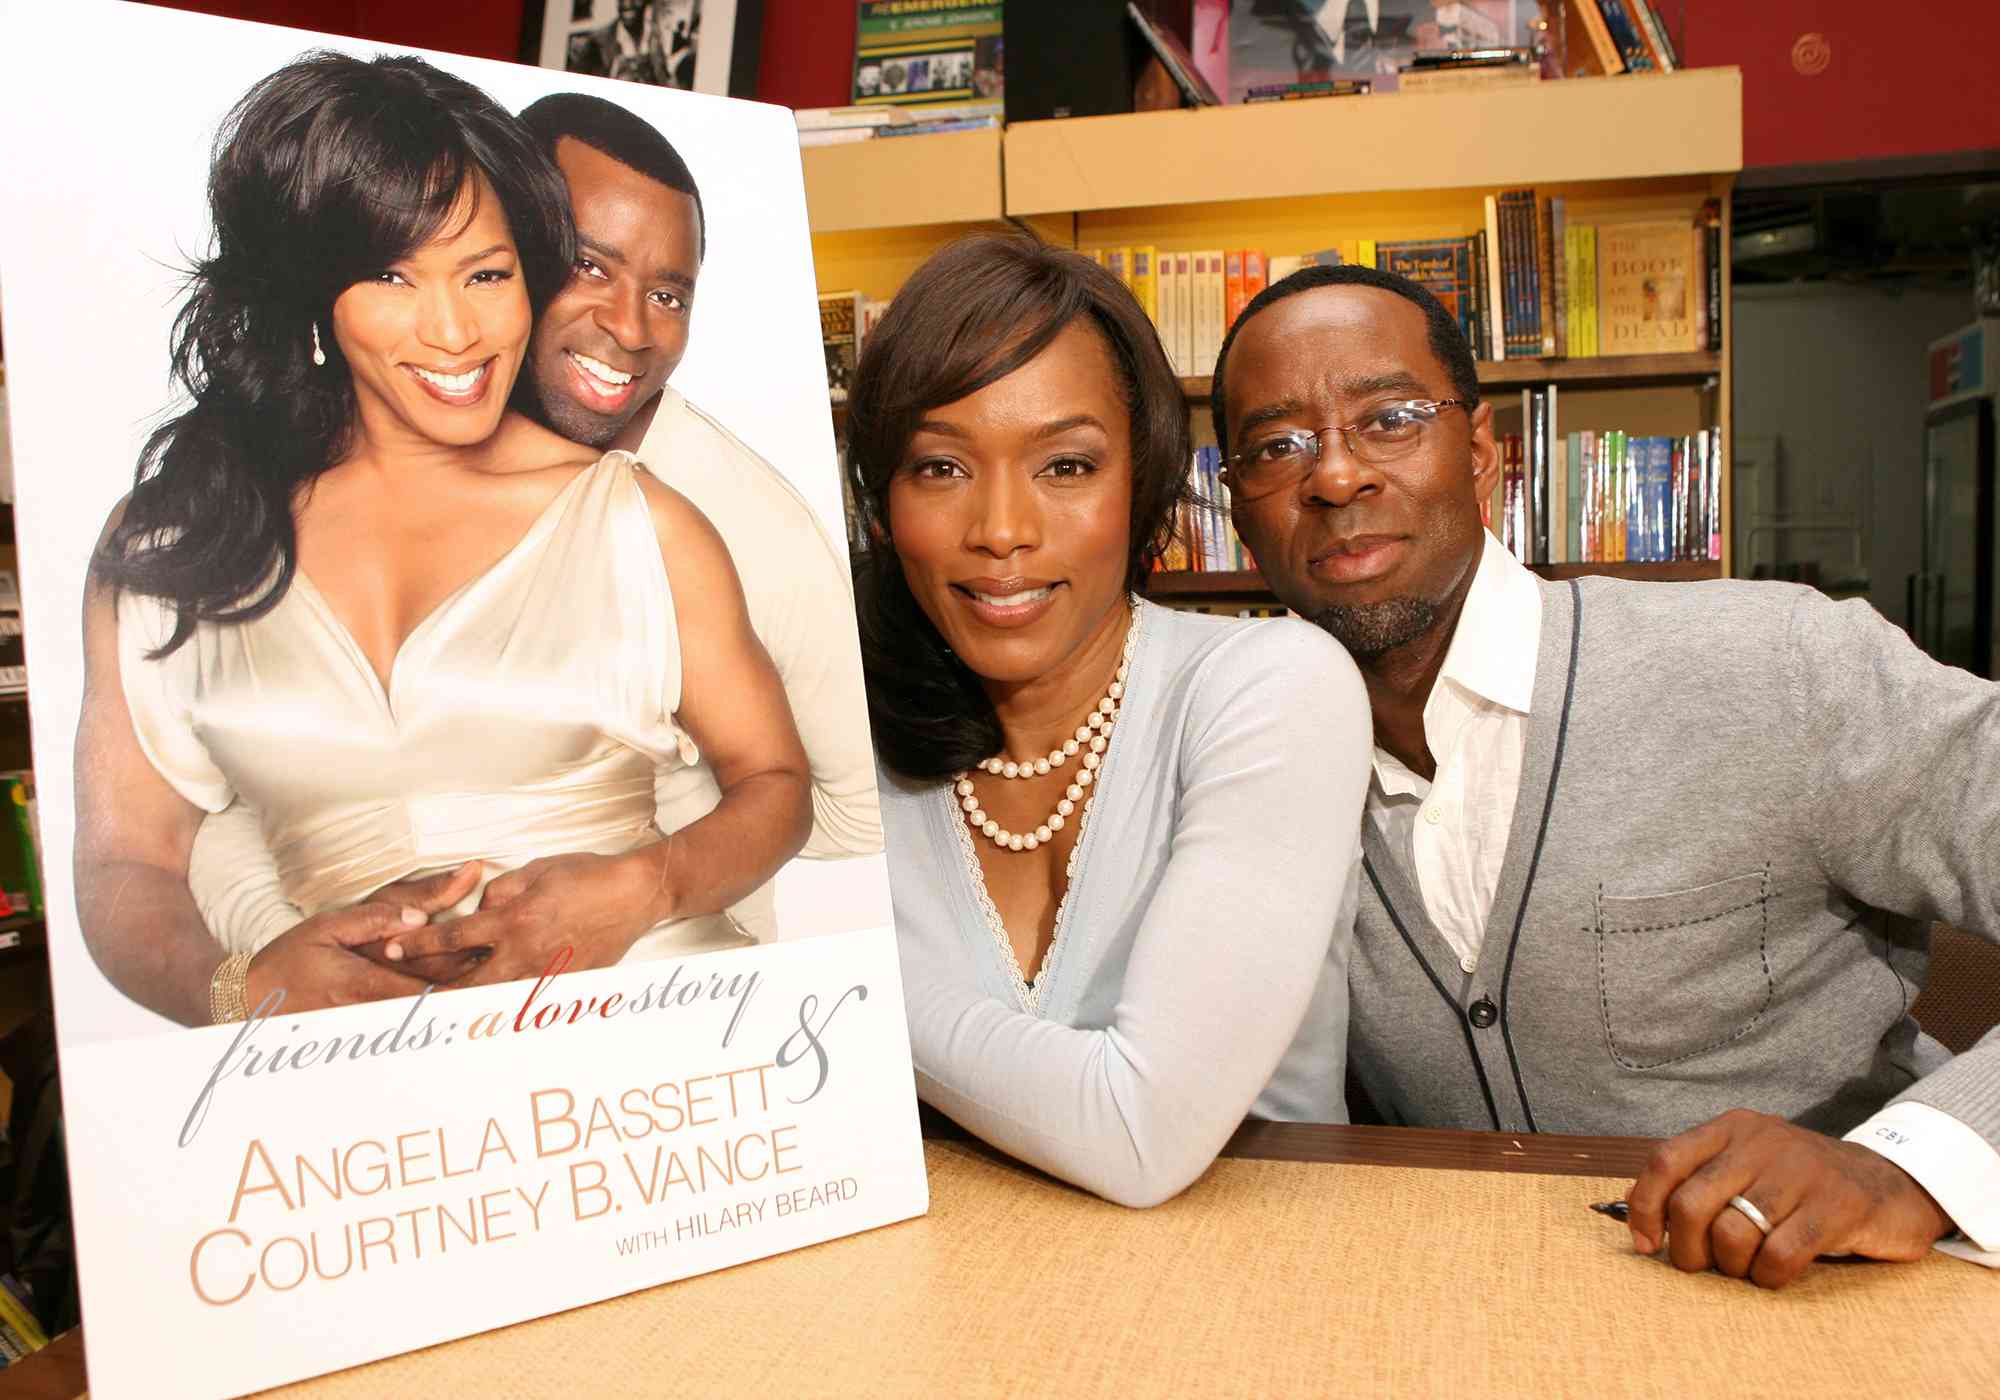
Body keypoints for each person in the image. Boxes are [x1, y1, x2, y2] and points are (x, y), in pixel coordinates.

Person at [1214, 261, 2000, 1285]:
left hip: (1843, 1312)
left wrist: (1905, 1167)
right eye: (1277, 445)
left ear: (1485, 452)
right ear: (1233, 504)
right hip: (1473, 1327)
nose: (1333, 475)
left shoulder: (1775, 666)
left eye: (1391, 417)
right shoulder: (1251, 776)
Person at [75, 52, 810, 1027]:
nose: (457, 329)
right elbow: (125, 859)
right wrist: (238, 991)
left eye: (486, 273)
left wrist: (646, 886)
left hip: (658, 1056)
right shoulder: (178, 543)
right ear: (314, 298)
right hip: (370, 1099)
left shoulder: (639, 521)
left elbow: (777, 785)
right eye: (392, 274)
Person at [189, 88, 879, 957]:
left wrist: (626, 835)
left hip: (665, 1003)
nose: (629, 329)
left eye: (669, 295)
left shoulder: (738, 525)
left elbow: (846, 807)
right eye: (589, 266)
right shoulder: (337, 470)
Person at [852, 234, 1372, 1208]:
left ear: (1141, 482)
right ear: (881, 502)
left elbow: (1142, 1133)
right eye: (938, 467)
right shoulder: (840, 740)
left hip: (1277, 1305)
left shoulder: (1268, 688)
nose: (1001, 528)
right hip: (952, 1314)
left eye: (1064, 464)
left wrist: (831, 972)